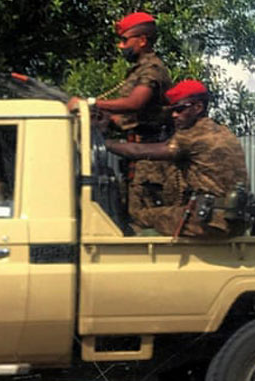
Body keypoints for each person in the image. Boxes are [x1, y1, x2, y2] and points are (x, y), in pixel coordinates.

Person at [104, 80, 249, 238]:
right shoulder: (222, 131)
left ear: (198, 108)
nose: (174, 115)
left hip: (208, 222)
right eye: (172, 110)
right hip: (234, 220)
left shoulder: (193, 135)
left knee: (137, 215)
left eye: (180, 109)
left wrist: (104, 143)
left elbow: (138, 150)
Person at [67, 12, 174, 226]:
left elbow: (135, 103)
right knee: (130, 214)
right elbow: (133, 116)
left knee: (145, 220)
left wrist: (90, 103)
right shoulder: (138, 70)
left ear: (142, 40)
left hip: (151, 160)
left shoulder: (152, 69)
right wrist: (105, 117)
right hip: (137, 156)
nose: (121, 46)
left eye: (125, 40)